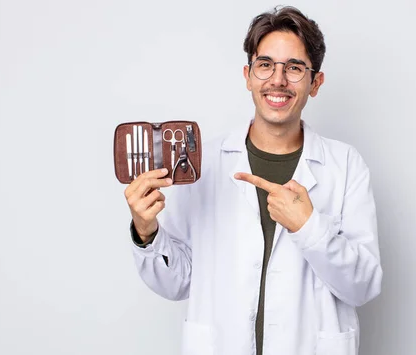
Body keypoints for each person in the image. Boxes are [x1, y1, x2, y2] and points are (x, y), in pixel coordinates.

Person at [124, 6, 382, 355]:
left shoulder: (345, 165)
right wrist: (146, 231)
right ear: (248, 75)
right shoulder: (206, 163)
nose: (277, 80)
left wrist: (308, 227)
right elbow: (179, 281)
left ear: (315, 83)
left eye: (294, 68)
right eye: (265, 65)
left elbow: (362, 286)